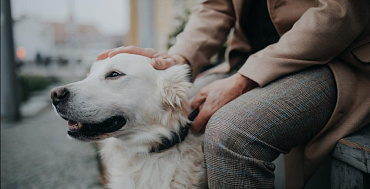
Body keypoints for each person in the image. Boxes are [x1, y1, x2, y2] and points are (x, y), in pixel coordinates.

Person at [97, 0, 370, 188]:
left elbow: (341, 12)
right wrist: (178, 58)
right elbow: (216, 7)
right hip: (245, 60)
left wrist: (244, 79)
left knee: (230, 132)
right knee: (173, 109)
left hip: (333, 60)